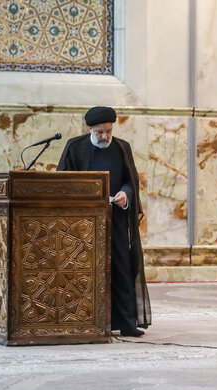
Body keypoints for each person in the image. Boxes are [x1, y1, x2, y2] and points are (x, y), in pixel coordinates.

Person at [57, 106, 151, 337]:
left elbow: (131, 180)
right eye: (100, 132)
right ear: (90, 129)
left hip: (115, 220)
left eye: (108, 131)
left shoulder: (122, 148)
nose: (105, 137)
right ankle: (82, 321)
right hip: (82, 225)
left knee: (121, 268)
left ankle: (127, 323)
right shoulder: (74, 147)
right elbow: (61, 181)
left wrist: (126, 194)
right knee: (82, 272)